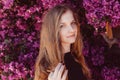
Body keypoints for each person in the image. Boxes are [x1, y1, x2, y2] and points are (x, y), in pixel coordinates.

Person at [34, 4, 91, 80]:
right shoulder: (46, 67)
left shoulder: (76, 58)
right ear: (52, 31)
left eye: (73, 23)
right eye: (62, 26)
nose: (71, 29)